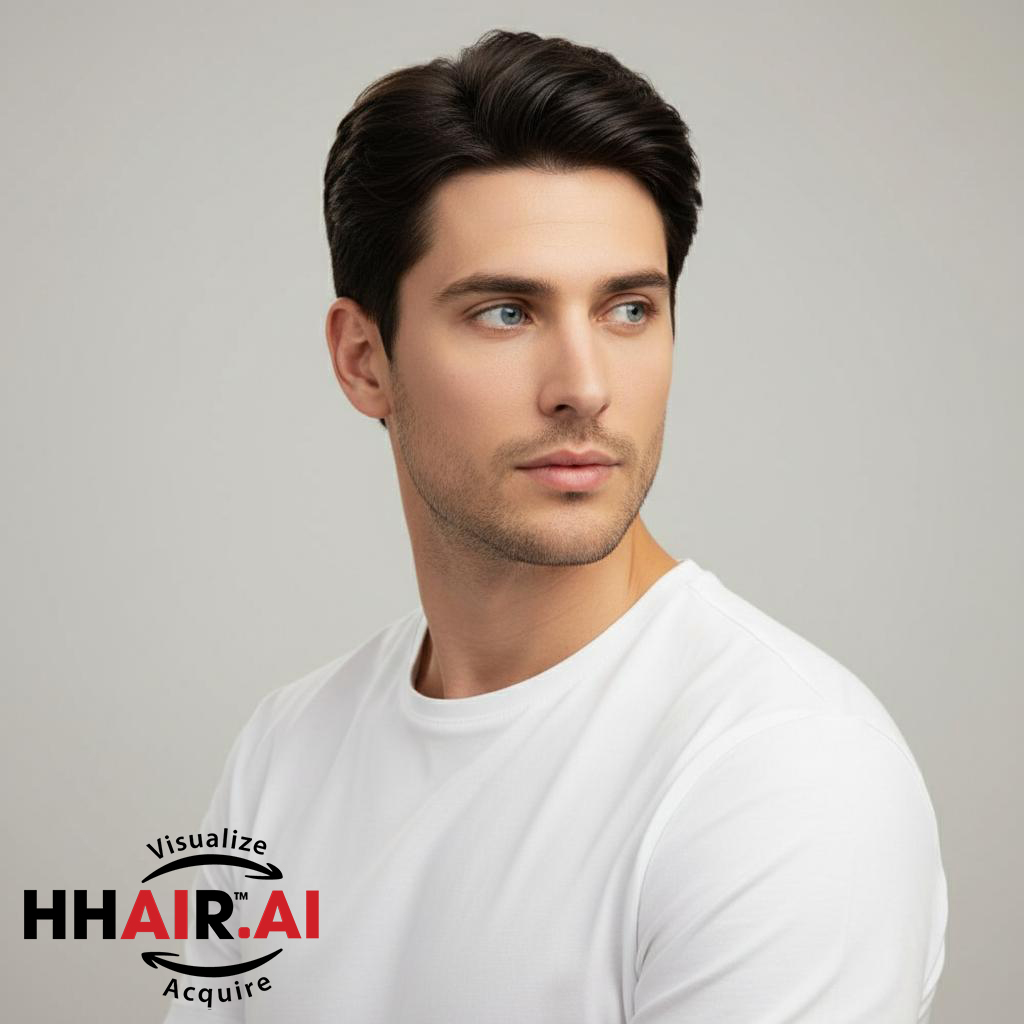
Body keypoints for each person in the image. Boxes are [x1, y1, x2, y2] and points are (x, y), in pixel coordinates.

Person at [162, 28, 947, 1023]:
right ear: (364, 360)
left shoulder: (784, 771)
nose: (584, 386)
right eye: (506, 312)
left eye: (627, 310)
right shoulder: (285, 751)